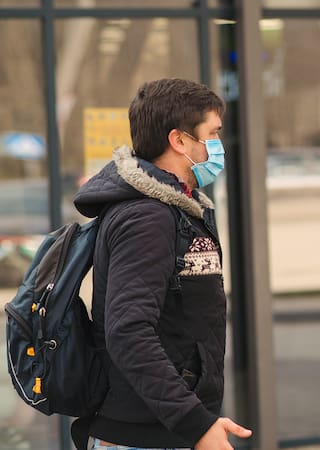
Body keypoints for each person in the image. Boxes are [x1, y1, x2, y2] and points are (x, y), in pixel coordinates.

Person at [72, 78, 252, 450]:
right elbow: (128, 332)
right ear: (179, 141)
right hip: (144, 437)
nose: (218, 146)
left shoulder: (179, 210)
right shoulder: (147, 217)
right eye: (212, 134)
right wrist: (195, 424)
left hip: (168, 430)